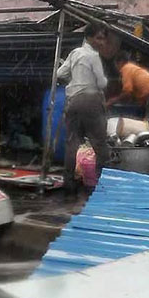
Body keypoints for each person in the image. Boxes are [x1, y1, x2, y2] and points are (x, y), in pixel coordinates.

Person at [57, 22, 114, 195]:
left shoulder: (75, 53)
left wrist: (75, 79)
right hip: (91, 100)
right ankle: (103, 182)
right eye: (99, 38)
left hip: (73, 101)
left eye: (103, 39)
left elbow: (60, 74)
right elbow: (101, 82)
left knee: (72, 143)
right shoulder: (93, 56)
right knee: (99, 142)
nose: (102, 42)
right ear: (89, 38)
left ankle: (68, 181)